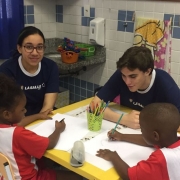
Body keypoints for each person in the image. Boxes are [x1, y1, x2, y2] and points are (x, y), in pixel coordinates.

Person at [0, 74, 82, 180]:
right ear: (7, 114)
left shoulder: (5, 127)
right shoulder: (18, 134)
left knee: (45, 162)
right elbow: (49, 144)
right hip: (30, 177)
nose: (25, 111)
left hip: (8, 176)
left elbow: (20, 123)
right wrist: (58, 129)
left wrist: (38, 115)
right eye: (22, 109)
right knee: (77, 177)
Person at [92, 46, 180, 129]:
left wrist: (145, 120)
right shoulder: (122, 74)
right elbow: (95, 104)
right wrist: (124, 120)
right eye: (124, 76)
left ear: (147, 71)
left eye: (133, 76)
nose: (127, 81)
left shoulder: (165, 83)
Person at [96, 103, 180, 180]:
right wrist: (122, 136)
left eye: (142, 129)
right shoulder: (170, 139)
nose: (141, 132)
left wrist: (113, 156)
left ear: (155, 136)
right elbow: (148, 141)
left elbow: (128, 176)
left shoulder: (161, 158)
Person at [0, 26, 59, 126]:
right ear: (19, 48)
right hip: (16, 122)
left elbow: (48, 106)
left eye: (39, 47)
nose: (35, 53)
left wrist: (38, 125)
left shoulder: (50, 67)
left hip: (42, 118)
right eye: (29, 47)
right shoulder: (7, 70)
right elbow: (8, 114)